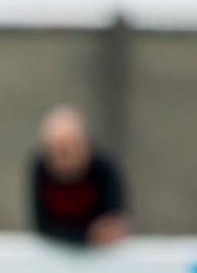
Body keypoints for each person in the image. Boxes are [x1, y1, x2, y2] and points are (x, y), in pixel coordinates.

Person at [31, 105, 128, 246]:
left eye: (69, 150)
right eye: (58, 152)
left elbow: (113, 223)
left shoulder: (103, 167)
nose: (64, 160)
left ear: (85, 145)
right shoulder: (40, 167)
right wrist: (88, 235)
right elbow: (42, 225)